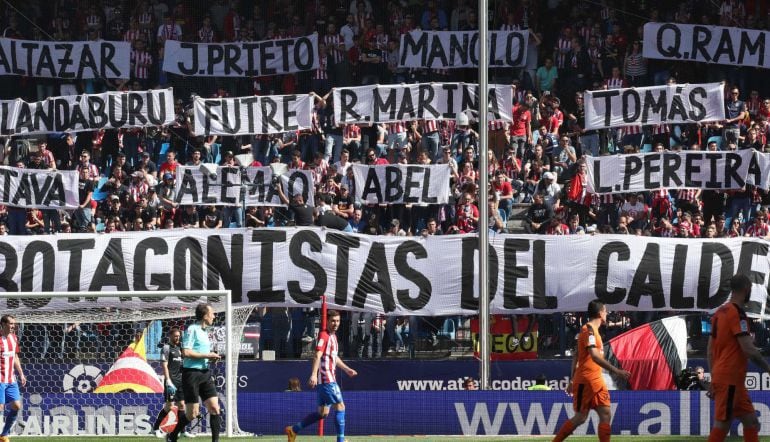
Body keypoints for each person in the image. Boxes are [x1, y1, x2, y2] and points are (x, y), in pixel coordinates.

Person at [553, 300, 631, 442]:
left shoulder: (593, 331)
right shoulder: (588, 330)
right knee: (581, 417)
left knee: (605, 413)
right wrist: (616, 371)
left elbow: (577, 355)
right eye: (605, 311)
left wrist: (572, 379)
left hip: (596, 379)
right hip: (587, 380)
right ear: (600, 313)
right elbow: (594, 356)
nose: (607, 313)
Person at [707, 274, 770, 442]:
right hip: (730, 380)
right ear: (746, 289)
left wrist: (714, 378)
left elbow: (709, 350)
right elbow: (748, 349)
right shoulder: (737, 313)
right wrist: (768, 368)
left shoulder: (720, 312)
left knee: (752, 423)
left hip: (731, 380)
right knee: (722, 425)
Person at [285, 310, 357, 442]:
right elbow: (317, 355)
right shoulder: (324, 335)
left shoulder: (333, 337)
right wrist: (313, 374)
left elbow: (334, 358)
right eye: (333, 321)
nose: (336, 323)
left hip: (324, 382)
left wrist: (347, 369)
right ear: (328, 321)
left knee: (322, 413)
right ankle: (341, 440)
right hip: (327, 379)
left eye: (338, 321)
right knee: (341, 407)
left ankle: (293, 430)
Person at [166, 304, 222, 442]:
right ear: (205, 315)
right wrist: (208, 355)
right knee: (192, 414)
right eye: (212, 313)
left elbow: (200, 354)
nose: (214, 316)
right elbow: (186, 352)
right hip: (191, 374)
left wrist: (210, 359)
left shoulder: (205, 332)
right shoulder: (192, 329)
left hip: (205, 373)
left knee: (215, 408)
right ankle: (172, 436)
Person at [153, 326, 192, 438]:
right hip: (171, 381)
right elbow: (164, 365)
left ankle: (182, 431)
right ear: (170, 336)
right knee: (169, 406)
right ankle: (155, 428)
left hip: (180, 381)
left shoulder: (180, 348)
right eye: (175, 336)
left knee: (182, 405)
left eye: (179, 336)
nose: (177, 338)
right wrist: (168, 380)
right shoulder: (166, 348)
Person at [0, 315, 26, 442]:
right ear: (3, 324)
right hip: (0, 379)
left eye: (14, 324)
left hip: (11, 379)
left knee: (16, 405)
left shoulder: (14, 338)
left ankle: (3, 435)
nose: (13, 326)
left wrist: (21, 373)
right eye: (11, 323)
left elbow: (15, 357)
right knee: (0, 407)